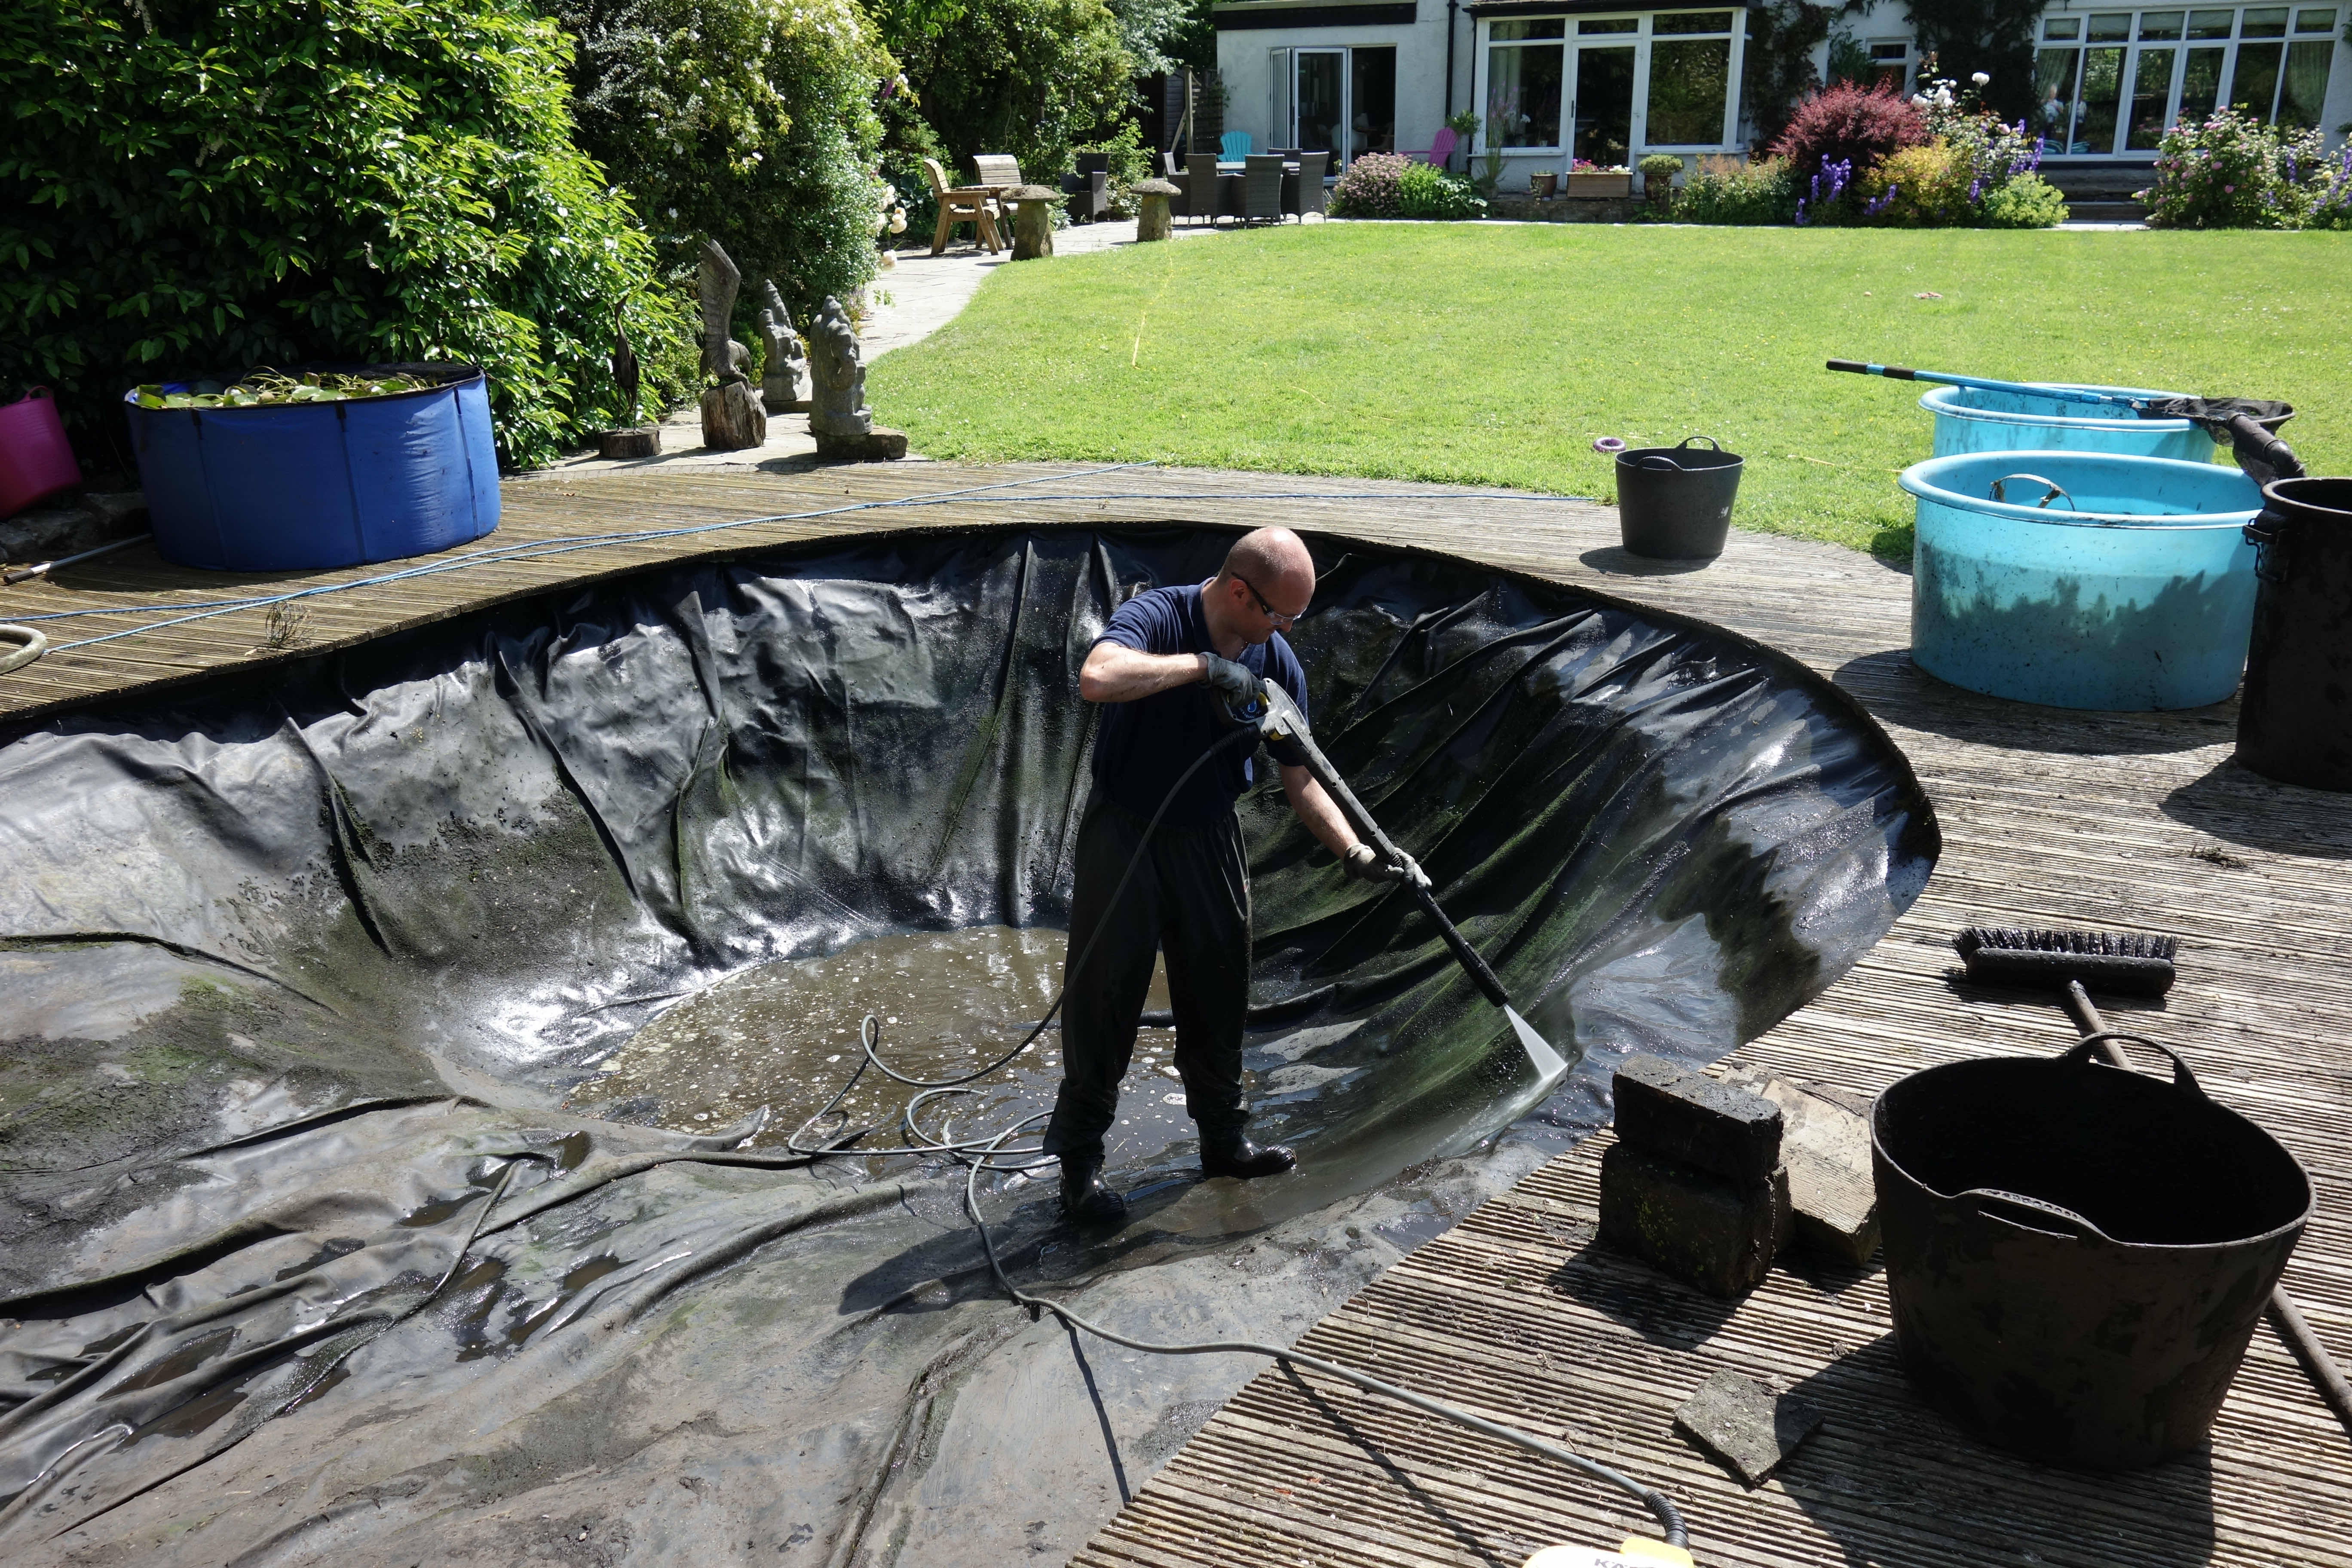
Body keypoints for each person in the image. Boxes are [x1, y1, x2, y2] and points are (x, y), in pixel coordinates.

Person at [1043, 527, 1408, 1223]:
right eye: (1280, 614)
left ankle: (1223, 1139)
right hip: (1126, 832)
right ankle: (1080, 1167)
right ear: (1240, 592)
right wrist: (1203, 668)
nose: (1287, 630)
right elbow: (1098, 679)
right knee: (1105, 996)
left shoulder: (1278, 664)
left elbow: (1302, 780)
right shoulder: (1158, 616)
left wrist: (1358, 855)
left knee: (1219, 988)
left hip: (1209, 837)